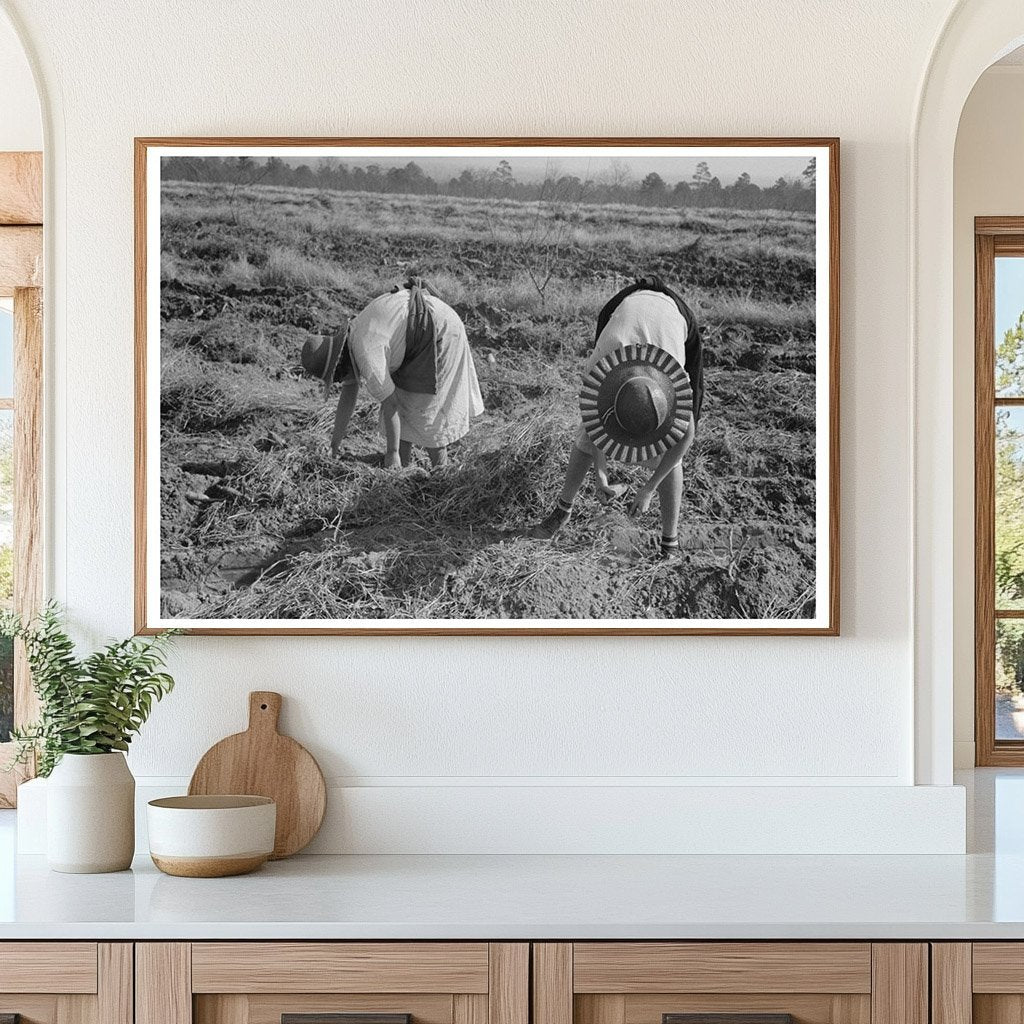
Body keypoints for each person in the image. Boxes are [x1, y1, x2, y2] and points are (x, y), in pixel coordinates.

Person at [531, 276, 704, 558]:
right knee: (585, 437)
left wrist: (649, 489)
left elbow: (686, 438)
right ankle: (562, 511)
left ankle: (669, 541)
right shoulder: (601, 365)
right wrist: (601, 477)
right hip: (624, 307)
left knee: (672, 453)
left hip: (675, 317)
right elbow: (594, 422)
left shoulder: (676, 382)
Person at [301, 278, 484, 468]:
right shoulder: (354, 338)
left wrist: (391, 452)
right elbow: (349, 396)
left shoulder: (366, 353)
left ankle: (441, 473)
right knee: (405, 404)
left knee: (428, 413)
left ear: (340, 363)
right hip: (416, 339)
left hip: (441, 332)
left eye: (337, 377)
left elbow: (391, 405)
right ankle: (402, 468)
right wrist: (334, 447)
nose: (341, 381)